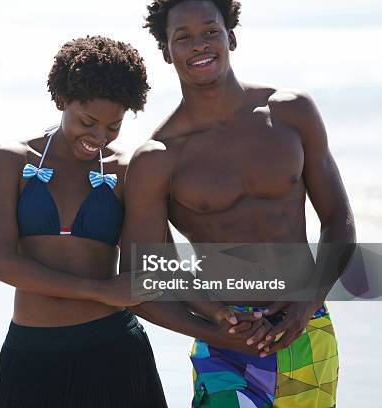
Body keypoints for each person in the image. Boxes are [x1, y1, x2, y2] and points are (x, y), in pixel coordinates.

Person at [118, 1, 356, 407]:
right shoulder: (159, 158)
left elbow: (339, 221)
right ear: (166, 51)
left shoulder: (291, 113)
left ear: (231, 36)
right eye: (183, 37)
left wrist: (308, 300)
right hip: (226, 348)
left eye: (210, 31)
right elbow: (140, 282)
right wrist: (213, 329)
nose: (199, 45)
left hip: (307, 328)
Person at [0, 35, 171, 408]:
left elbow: (156, 267)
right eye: (88, 121)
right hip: (30, 358)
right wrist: (100, 290)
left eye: (113, 126)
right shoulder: (10, 161)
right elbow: (1, 264)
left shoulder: (127, 170)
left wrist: (223, 317)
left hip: (113, 353)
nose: (99, 137)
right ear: (62, 100)